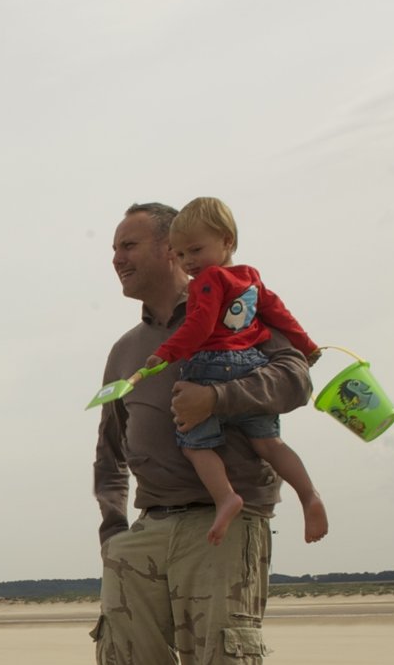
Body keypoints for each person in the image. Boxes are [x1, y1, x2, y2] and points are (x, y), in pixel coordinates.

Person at [83, 201, 312, 665]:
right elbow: (108, 452)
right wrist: (112, 532)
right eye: (113, 249)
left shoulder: (237, 309)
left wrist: (219, 400)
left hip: (224, 521)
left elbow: (297, 376)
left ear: (172, 248)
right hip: (146, 531)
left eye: (129, 245)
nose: (118, 258)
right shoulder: (125, 349)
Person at [140, 197, 329, 547]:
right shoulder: (251, 280)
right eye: (180, 255)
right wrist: (307, 345)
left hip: (211, 365)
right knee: (269, 443)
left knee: (194, 444)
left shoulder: (209, 281)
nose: (189, 262)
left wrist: (165, 354)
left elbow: (199, 326)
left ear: (227, 241)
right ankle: (308, 494)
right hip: (249, 362)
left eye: (195, 250)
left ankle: (225, 496)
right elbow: (280, 315)